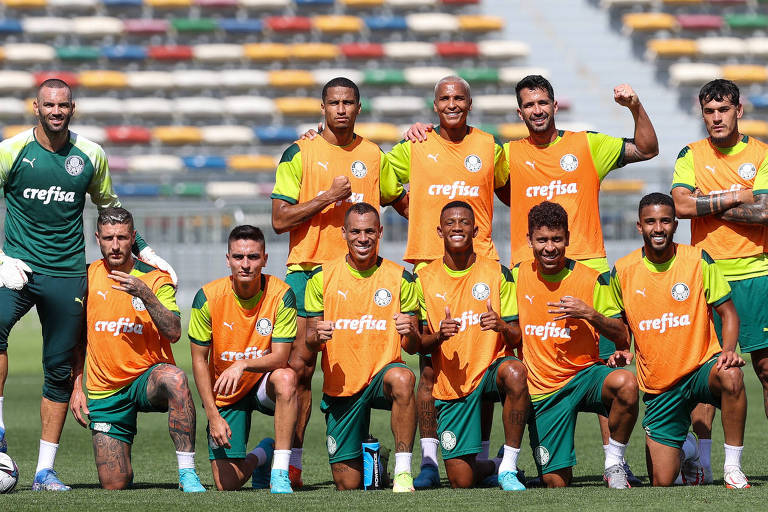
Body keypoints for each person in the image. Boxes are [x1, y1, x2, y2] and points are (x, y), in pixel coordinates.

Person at [0, 79, 174, 490]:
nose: (56, 111)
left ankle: (45, 470)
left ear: (72, 108)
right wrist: (1, 258)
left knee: (59, 371)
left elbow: (111, 207)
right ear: (36, 107)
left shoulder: (91, 154)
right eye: (49, 105)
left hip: (67, 274)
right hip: (18, 269)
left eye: (63, 105)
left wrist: (145, 251)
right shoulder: (11, 150)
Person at [271, 77, 408, 486]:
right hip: (310, 270)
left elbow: (399, 200)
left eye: (349, 102)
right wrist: (325, 198)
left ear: (359, 107)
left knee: (364, 360)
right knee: (300, 367)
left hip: (362, 276)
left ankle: (365, 448)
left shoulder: (372, 153)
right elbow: (279, 220)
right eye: (334, 102)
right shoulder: (300, 151)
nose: (342, 109)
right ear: (323, 107)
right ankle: (291, 462)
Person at [393, 76, 510, 488]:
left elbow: (515, 189)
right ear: (435, 103)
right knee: (429, 368)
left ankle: (479, 454)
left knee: (483, 361)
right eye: (445, 97)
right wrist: (422, 217)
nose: (452, 103)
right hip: (430, 264)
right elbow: (383, 182)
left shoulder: (491, 146)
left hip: (483, 265)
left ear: (470, 102)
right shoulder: (415, 145)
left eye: (460, 96)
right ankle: (428, 461)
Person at [610, 192, 749, 488]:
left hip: (701, 369)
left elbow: (730, 314)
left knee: (732, 375)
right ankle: (688, 449)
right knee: (661, 481)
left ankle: (732, 469)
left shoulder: (698, 260)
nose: (657, 228)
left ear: (675, 224)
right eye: (650, 222)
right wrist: (622, 349)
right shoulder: (622, 270)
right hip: (660, 387)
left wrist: (727, 351)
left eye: (664, 221)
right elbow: (619, 324)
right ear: (639, 226)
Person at [671, 78, 768, 483]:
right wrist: (736, 196)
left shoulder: (761, 152)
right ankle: (704, 466)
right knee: (706, 373)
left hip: (756, 273)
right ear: (702, 113)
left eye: (723, 110)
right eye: (709, 111)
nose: (716, 118)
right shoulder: (690, 153)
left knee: (765, 369)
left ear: (738, 110)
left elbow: (764, 213)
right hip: (708, 274)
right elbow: (680, 205)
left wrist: (706, 204)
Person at [68, 207, 204, 492]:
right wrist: (77, 385)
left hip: (147, 379)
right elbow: (77, 338)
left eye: (121, 237)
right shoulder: (87, 277)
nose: (115, 245)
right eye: (108, 238)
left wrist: (145, 293)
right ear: (97, 238)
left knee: (175, 378)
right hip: (107, 390)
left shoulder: (156, 278)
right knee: (114, 484)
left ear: (133, 238)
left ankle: (188, 473)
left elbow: (174, 332)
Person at [515, 201, 638, 488]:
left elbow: (622, 336)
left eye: (557, 239)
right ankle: (510, 462)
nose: (550, 247)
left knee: (626, 384)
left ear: (568, 238)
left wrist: (590, 314)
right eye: (542, 239)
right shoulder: (516, 277)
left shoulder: (592, 279)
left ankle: (614, 463)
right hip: (544, 390)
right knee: (556, 483)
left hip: (585, 377)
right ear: (529, 240)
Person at [304, 202, 419, 492]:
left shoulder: (401, 278)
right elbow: (308, 340)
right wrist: (317, 335)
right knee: (348, 484)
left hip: (383, 376)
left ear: (380, 232)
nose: (363, 238)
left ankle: (404, 472)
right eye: (356, 231)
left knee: (404, 378)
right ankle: (376, 459)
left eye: (370, 231)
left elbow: (414, 346)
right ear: (344, 233)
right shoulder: (321, 277)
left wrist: (412, 332)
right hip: (342, 387)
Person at [414, 201, 529, 491]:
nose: (457, 227)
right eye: (450, 223)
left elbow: (517, 337)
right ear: (439, 230)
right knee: (460, 481)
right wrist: (439, 335)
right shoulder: (423, 278)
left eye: (464, 222)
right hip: (452, 383)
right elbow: (418, 345)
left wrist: (501, 325)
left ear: (475, 230)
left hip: (490, 372)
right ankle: (494, 463)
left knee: (515, 372)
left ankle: (509, 467)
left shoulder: (498, 273)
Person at [189, 225, 298, 493]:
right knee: (227, 483)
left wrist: (242, 364)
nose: (245, 264)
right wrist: (213, 416)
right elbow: (199, 362)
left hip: (263, 383)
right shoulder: (207, 297)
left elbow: (281, 357)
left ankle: (281, 473)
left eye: (253, 257)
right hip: (227, 391)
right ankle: (263, 454)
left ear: (265, 259)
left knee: (287, 378)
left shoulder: (282, 295)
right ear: (228, 260)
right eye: (238, 257)